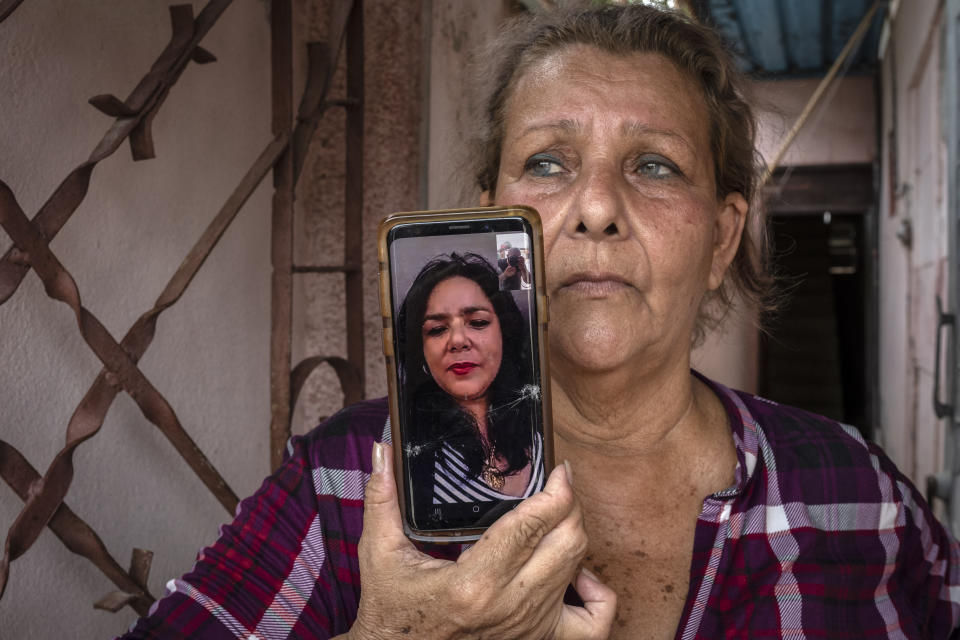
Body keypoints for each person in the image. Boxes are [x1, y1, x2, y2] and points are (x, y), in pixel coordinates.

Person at [119, 4, 960, 639]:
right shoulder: (346, 486)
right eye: (549, 163)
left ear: (722, 238)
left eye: (655, 165)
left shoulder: (859, 501)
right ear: (489, 222)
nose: (596, 208)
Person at [396, 252, 543, 509]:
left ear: (504, 334)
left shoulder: (545, 431)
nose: (458, 341)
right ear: (420, 350)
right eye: (437, 329)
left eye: (477, 322)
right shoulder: (404, 448)